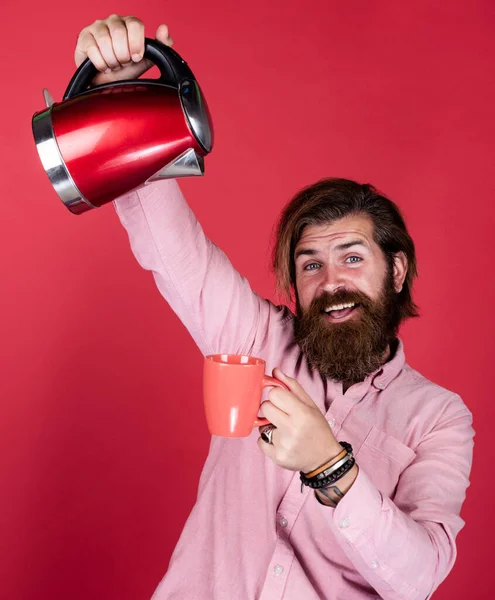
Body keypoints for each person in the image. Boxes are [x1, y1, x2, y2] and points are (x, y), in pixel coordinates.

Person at [74, 15, 474, 600]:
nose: (331, 281)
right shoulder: (258, 340)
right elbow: (173, 250)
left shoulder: (439, 418)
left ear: (397, 269)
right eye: (310, 263)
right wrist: (125, 97)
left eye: (352, 258)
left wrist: (331, 468)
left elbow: (420, 577)